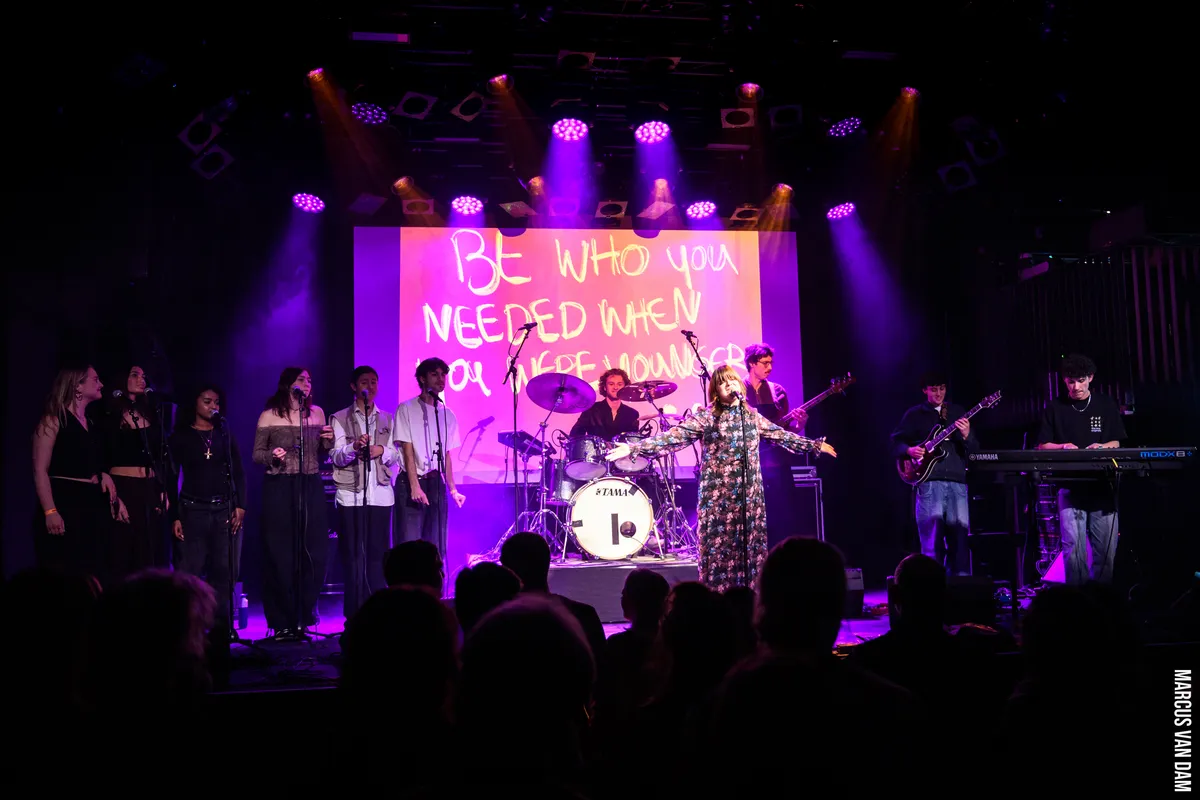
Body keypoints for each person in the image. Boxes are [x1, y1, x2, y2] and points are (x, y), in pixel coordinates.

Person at [607, 365, 835, 591]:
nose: (729, 384)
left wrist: (813, 445)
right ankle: (716, 601)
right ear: (716, 390)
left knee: (751, 554)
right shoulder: (706, 417)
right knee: (719, 557)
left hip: (749, 500)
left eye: (732, 380)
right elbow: (672, 438)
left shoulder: (752, 417)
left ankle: (749, 599)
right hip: (718, 500)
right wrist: (634, 448)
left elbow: (780, 436)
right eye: (723, 382)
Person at [252, 367, 334, 641]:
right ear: (288, 384)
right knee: (280, 553)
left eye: (309, 380)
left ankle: (304, 615)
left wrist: (328, 442)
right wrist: (272, 456)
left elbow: (323, 452)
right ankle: (281, 620)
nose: (307, 383)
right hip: (279, 485)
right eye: (301, 379)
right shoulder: (269, 415)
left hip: (309, 484)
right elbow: (257, 454)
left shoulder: (317, 413)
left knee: (313, 550)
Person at [1036, 353, 1125, 585]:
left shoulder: (1105, 404)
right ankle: (1077, 599)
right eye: (1070, 382)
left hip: (1102, 486)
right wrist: (1063, 446)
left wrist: (1102, 447)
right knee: (1073, 549)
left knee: (1105, 551)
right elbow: (1043, 445)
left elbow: (1116, 442)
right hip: (1069, 485)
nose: (1076, 387)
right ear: (1064, 381)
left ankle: (1102, 599)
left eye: (1081, 380)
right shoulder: (1055, 407)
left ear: (1091, 378)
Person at [32, 365, 126, 581]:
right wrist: (50, 511)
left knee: (92, 572)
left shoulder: (91, 424)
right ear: (77, 386)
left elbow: (90, 462)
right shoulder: (54, 419)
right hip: (66, 501)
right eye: (95, 379)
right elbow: (39, 469)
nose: (101, 384)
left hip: (91, 506)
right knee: (63, 572)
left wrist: (104, 476)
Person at [168, 384, 247, 630]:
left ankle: (220, 629)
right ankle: (188, 629)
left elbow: (238, 471)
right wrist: (175, 516)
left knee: (225, 572)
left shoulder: (224, 434)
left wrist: (240, 505)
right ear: (195, 403)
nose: (214, 406)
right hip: (192, 511)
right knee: (189, 572)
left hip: (223, 510)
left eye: (217, 402)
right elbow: (171, 476)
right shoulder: (181, 437)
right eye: (207, 401)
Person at [889, 371, 978, 575]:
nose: (939, 393)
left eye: (942, 389)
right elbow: (894, 443)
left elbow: (974, 450)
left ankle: (961, 587)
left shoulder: (958, 412)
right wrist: (909, 450)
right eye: (934, 389)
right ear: (925, 390)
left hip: (957, 481)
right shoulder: (914, 414)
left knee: (960, 542)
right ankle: (931, 586)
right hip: (929, 482)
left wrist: (967, 435)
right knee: (931, 543)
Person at [329, 365, 398, 620]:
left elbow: (397, 455)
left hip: (381, 495)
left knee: (378, 557)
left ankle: (378, 614)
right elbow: (336, 455)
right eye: (364, 382)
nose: (370, 386)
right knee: (353, 558)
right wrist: (353, 447)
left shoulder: (388, 418)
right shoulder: (339, 417)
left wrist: (382, 450)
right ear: (354, 386)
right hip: (351, 496)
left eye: (374, 381)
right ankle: (354, 616)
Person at [394, 357, 466, 564]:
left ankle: (436, 584)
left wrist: (453, 489)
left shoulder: (447, 414)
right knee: (410, 548)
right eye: (435, 374)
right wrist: (415, 486)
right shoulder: (406, 408)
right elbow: (407, 450)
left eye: (443, 375)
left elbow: (447, 455)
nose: (441, 379)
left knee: (436, 547)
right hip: (411, 482)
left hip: (436, 484)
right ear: (422, 379)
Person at [101, 364, 170, 579]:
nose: (142, 380)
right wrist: (114, 497)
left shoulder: (151, 414)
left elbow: (160, 457)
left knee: (148, 552)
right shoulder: (111, 415)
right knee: (123, 551)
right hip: (124, 487)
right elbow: (102, 455)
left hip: (149, 487)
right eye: (135, 375)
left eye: (144, 376)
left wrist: (162, 489)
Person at [743, 342, 809, 549]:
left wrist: (800, 424)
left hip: (777, 465)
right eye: (765, 363)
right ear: (752, 363)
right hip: (750, 466)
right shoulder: (738, 389)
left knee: (783, 518)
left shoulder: (777, 391)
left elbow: (786, 433)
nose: (769, 367)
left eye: (771, 363)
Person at [569, 367, 640, 439]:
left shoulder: (632, 414)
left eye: (619, 384)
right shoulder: (591, 409)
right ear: (605, 387)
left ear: (625, 387)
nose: (615, 387)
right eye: (611, 384)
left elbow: (633, 441)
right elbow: (575, 436)